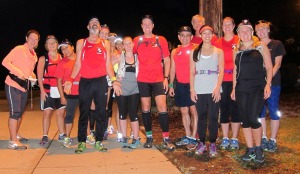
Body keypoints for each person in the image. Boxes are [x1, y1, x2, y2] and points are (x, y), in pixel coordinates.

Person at [63, 17, 121, 154]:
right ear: (88, 27)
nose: (94, 24)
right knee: (84, 112)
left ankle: (99, 141)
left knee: (101, 112)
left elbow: (107, 65)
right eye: (92, 22)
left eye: (97, 22)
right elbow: (78, 64)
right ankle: (82, 142)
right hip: (85, 81)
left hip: (101, 81)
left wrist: (114, 80)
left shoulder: (105, 43)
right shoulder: (81, 42)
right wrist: (70, 80)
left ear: (100, 28)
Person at [231, 19, 273, 163]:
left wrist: (268, 84)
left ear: (252, 32)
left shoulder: (261, 47)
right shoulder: (236, 50)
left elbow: (268, 67)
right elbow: (235, 71)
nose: (245, 33)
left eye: (247, 30)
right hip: (241, 88)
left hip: (257, 87)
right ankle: (250, 149)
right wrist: (233, 89)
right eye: (242, 31)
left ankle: (259, 148)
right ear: (239, 34)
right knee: (245, 119)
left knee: (254, 117)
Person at [133, 15, 175, 150]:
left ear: (153, 25)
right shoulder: (137, 41)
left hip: (158, 79)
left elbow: (167, 60)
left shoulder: (160, 40)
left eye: (149, 24)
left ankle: (166, 138)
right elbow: (129, 55)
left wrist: (166, 77)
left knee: (162, 108)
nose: (146, 26)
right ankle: (149, 137)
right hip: (143, 79)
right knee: (145, 108)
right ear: (141, 26)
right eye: (144, 24)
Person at [190, 25, 224, 157]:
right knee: (201, 117)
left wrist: (217, 88)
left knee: (214, 117)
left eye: (210, 33)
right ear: (200, 35)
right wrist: (192, 89)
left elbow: (221, 70)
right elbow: (192, 72)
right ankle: (202, 143)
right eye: (204, 33)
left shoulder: (218, 51)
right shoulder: (195, 51)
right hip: (199, 87)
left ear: (213, 35)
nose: (207, 35)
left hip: (213, 88)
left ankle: (213, 143)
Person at [2, 30, 40, 150]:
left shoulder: (34, 55)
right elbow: (5, 62)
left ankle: (15, 134)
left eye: (36, 39)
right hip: (12, 84)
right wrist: (19, 73)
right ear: (26, 38)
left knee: (20, 113)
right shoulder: (19, 49)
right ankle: (12, 141)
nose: (33, 41)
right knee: (15, 113)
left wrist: (33, 76)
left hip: (24, 87)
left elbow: (29, 70)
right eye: (31, 38)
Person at [255, 20, 286, 152]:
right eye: (258, 29)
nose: (261, 31)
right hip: (257, 84)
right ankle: (263, 137)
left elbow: (277, 64)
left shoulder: (277, 44)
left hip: (273, 83)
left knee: (273, 110)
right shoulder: (255, 45)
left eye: (264, 28)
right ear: (255, 32)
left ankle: (272, 140)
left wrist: (268, 79)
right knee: (260, 111)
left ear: (268, 30)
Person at [168, 26, 198, 149]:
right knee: (184, 111)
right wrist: (171, 85)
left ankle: (194, 137)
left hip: (194, 85)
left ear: (191, 37)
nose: (185, 38)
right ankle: (187, 135)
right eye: (182, 35)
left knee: (194, 111)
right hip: (180, 85)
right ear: (179, 37)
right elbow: (172, 70)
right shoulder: (175, 51)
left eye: (187, 35)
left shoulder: (196, 49)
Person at [214, 17, 241, 150]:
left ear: (234, 25)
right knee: (224, 109)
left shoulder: (239, 40)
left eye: (229, 24)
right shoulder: (218, 43)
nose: (227, 27)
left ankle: (235, 138)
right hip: (222, 80)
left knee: (235, 109)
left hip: (237, 79)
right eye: (224, 25)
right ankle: (225, 137)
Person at [37, 35, 66, 146]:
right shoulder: (43, 59)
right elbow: (39, 76)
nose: (52, 44)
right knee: (47, 113)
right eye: (49, 43)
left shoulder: (62, 58)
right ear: (46, 46)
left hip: (60, 90)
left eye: (54, 42)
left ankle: (62, 134)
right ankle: (45, 135)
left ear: (57, 45)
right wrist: (42, 91)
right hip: (47, 89)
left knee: (61, 113)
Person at [115, 36, 141, 149]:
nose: (128, 46)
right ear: (123, 46)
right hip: (122, 89)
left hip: (135, 90)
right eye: (125, 44)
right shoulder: (118, 56)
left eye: (129, 43)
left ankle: (136, 138)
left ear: (133, 44)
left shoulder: (138, 57)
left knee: (133, 114)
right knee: (122, 113)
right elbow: (106, 66)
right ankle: (124, 137)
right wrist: (114, 80)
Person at [55, 39, 80, 147]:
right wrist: (62, 97)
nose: (64, 50)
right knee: (69, 116)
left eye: (66, 47)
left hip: (84, 91)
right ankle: (67, 137)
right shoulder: (62, 62)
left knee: (86, 114)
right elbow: (59, 81)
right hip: (70, 93)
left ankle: (87, 135)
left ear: (73, 47)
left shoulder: (80, 59)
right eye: (62, 49)